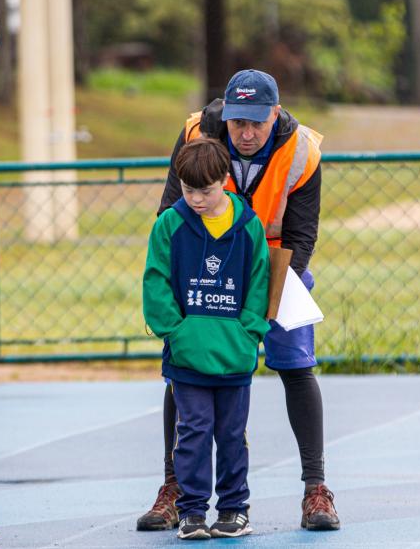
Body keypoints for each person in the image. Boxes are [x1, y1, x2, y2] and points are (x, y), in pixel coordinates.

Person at [137, 69, 341, 532]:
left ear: (275, 113)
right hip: (203, 269)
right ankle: (174, 488)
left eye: (256, 123)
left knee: (295, 365)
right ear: (225, 116)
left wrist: (264, 304)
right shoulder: (195, 132)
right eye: (237, 123)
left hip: (270, 268)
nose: (246, 134)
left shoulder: (303, 151)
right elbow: (170, 210)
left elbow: (303, 232)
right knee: (185, 372)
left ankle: (316, 488)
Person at [143, 137, 271, 540]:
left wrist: (248, 331)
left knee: (233, 434)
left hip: (234, 355)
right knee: (194, 431)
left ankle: (234, 509)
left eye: (206, 190)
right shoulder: (169, 224)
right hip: (187, 358)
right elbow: (156, 280)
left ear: (224, 181)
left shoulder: (248, 225)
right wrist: (176, 331)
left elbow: (259, 282)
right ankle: (192, 510)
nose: (196, 199)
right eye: (187, 189)